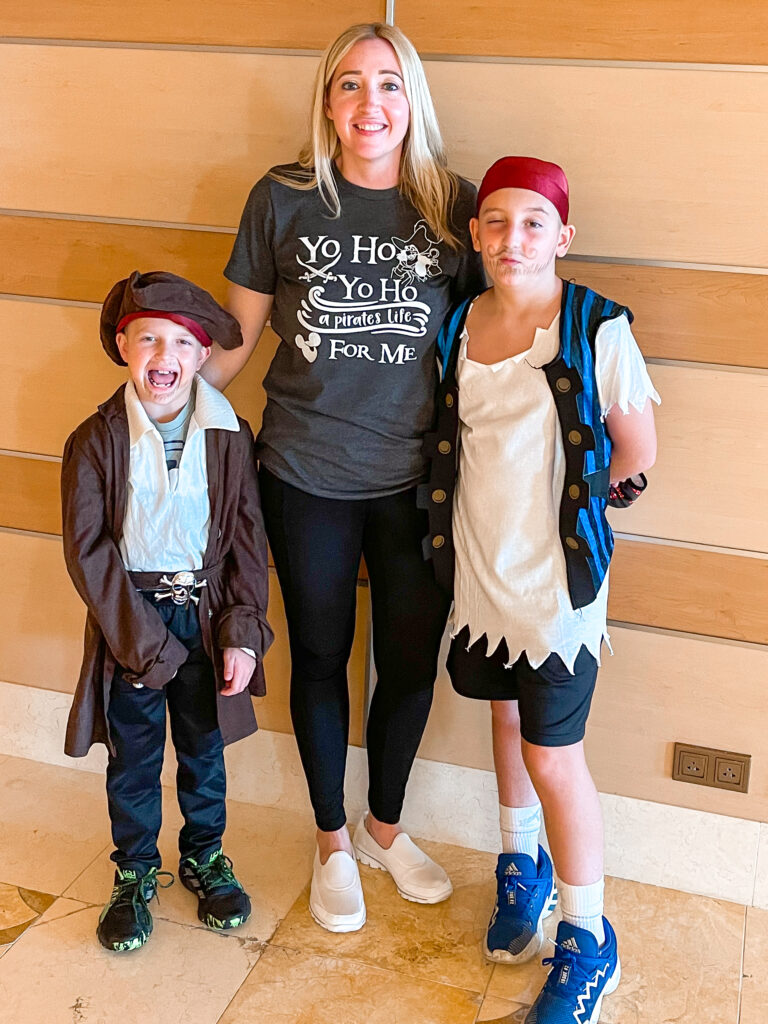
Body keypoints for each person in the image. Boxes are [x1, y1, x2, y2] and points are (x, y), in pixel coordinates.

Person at [202, 22, 485, 932]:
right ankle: (331, 842)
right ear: (328, 100)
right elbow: (237, 344)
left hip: (420, 484)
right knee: (322, 656)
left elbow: (499, 335)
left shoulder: (454, 204)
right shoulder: (283, 198)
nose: (372, 104)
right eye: (352, 85)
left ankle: (383, 827)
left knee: (408, 662)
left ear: (414, 100)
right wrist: (158, 404)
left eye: (390, 85)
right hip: (305, 472)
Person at [421, 157, 659, 1022]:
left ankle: (589, 936)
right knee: (506, 717)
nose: (509, 238)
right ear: (475, 236)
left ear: (563, 236)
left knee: (554, 756)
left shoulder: (597, 328)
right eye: (493, 222)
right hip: (480, 578)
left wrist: (584, 526)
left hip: (556, 590)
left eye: (530, 222)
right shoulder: (459, 324)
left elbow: (637, 454)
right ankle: (518, 866)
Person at [61, 271, 274, 952]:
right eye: (149, 338)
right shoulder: (95, 440)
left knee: (203, 748)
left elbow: (247, 539)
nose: (165, 355)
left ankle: (204, 856)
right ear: (124, 345)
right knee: (134, 754)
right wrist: (144, 645)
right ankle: (133, 871)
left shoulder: (230, 436)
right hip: (134, 622)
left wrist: (242, 632)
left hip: (208, 619)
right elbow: (88, 553)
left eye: (182, 341)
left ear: (203, 354)